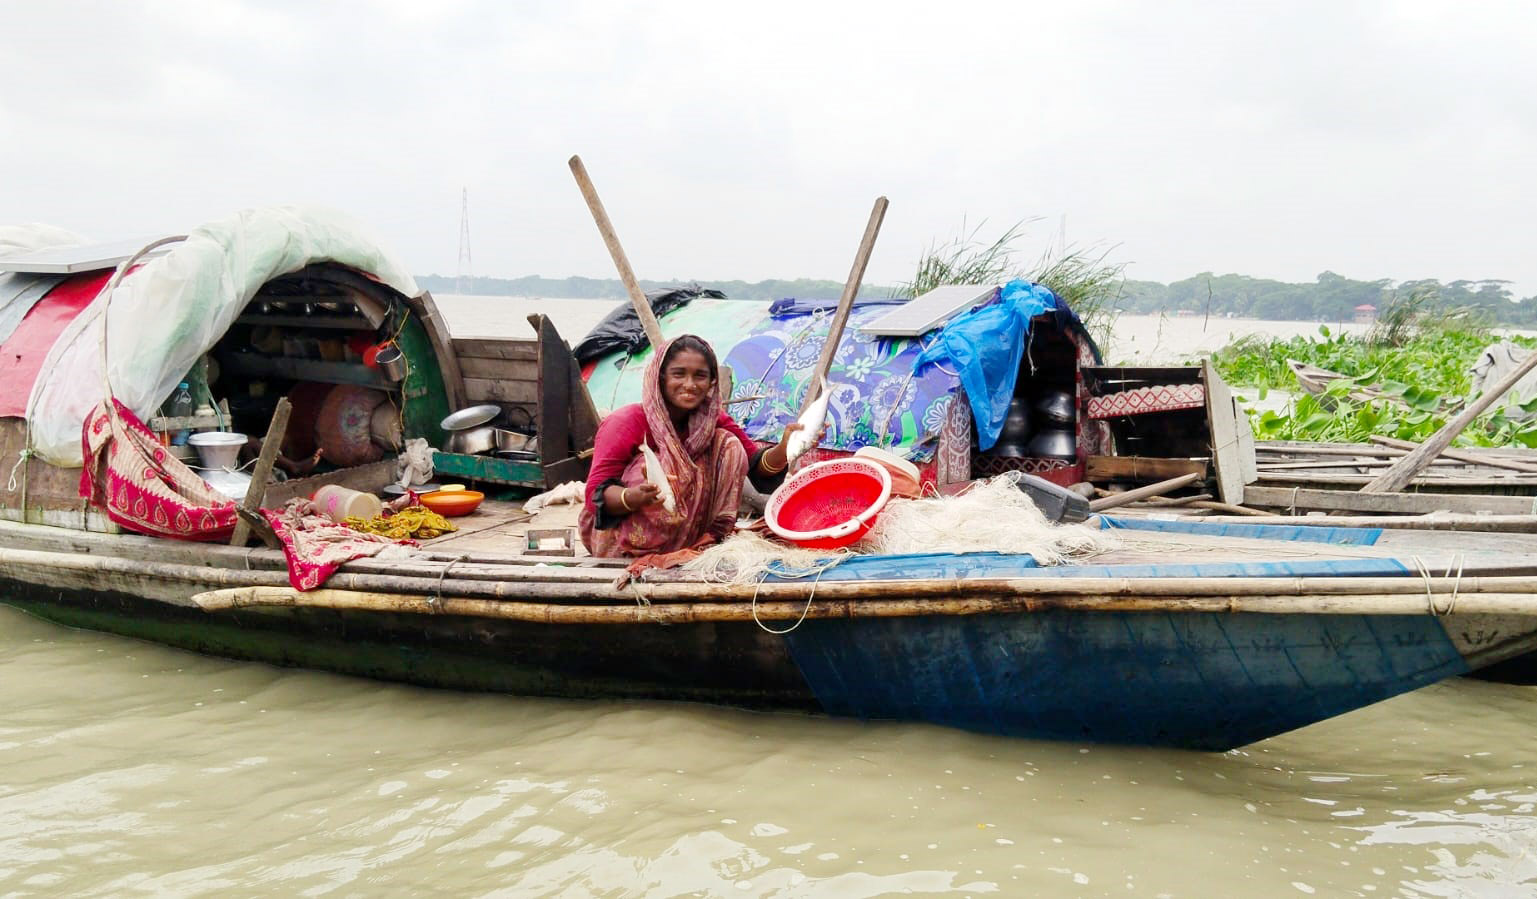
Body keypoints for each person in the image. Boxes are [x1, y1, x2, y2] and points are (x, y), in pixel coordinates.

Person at [579, 334, 807, 558]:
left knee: (729, 445)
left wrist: (786, 447)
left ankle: (708, 539)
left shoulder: (711, 419)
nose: (689, 385)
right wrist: (634, 496)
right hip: (618, 540)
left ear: (711, 382)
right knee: (660, 458)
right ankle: (644, 551)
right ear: (661, 378)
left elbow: (756, 468)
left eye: (700, 376)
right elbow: (593, 497)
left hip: (684, 536)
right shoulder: (627, 421)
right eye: (679, 374)